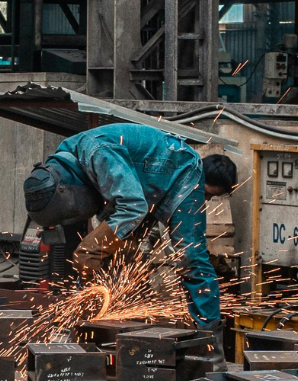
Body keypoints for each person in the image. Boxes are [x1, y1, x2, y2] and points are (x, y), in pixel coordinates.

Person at [23, 122, 238, 328]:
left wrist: (91, 248)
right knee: (121, 255)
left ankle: (209, 334)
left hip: (181, 174)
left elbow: (133, 207)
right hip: (145, 186)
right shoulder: (69, 158)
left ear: (64, 190)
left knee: (190, 255)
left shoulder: (98, 153)